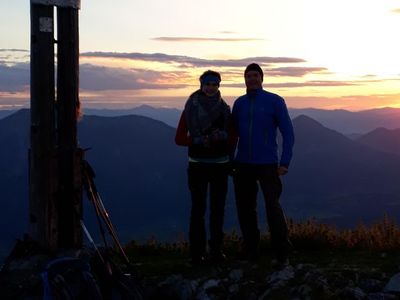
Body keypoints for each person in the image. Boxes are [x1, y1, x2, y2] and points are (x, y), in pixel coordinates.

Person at [232, 63, 295, 266]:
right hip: (242, 163)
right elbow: (233, 135)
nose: (251, 79)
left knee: (272, 207)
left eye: (255, 75)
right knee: (245, 208)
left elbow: (288, 133)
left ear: (262, 78)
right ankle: (251, 250)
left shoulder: (275, 101)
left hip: (268, 163)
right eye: (248, 76)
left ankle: (282, 252)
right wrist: (229, 159)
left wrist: (285, 162)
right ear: (245, 79)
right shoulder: (239, 103)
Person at [175, 70, 233, 265]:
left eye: (214, 84)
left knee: (217, 209)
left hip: (220, 165)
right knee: (198, 210)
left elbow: (232, 136)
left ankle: (216, 251)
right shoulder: (190, 108)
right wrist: (200, 140)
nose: (210, 87)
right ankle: (197, 253)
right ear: (201, 85)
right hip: (198, 165)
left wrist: (222, 139)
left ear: (219, 86)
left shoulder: (225, 109)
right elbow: (179, 139)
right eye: (207, 83)